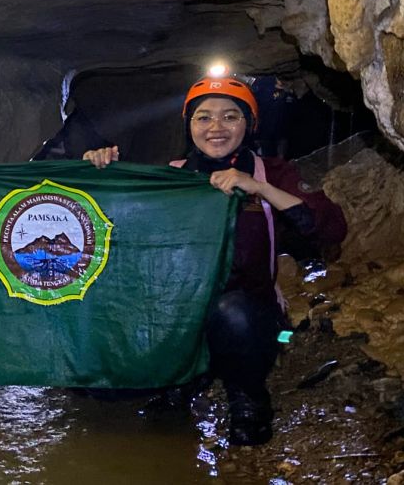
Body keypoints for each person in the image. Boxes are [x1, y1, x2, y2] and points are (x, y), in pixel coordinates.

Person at [82, 76, 347, 446]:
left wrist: (261, 190)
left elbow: (330, 228)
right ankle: (187, 376)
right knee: (105, 396)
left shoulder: (270, 173)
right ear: (189, 126)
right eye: (203, 117)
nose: (216, 128)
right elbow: (109, 228)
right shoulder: (170, 176)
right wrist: (99, 171)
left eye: (230, 117)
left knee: (232, 311)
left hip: (251, 318)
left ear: (249, 124)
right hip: (180, 316)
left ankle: (248, 395)